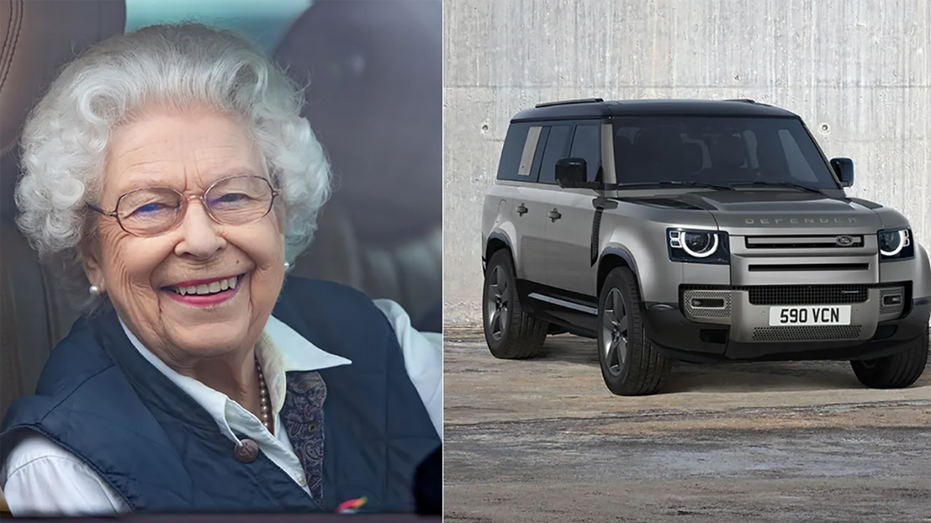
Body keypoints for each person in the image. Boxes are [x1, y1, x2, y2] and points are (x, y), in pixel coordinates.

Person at [0, 23, 441, 516]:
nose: (203, 240)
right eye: (148, 207)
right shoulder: (63, 469)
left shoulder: (385, 339)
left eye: (233, 195)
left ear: (282, 214)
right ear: (91, 254)